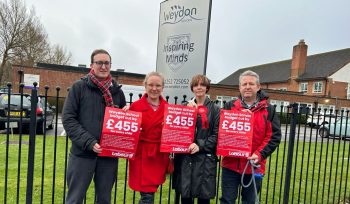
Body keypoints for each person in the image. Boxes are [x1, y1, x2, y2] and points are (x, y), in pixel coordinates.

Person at [63, 49, 127, 204]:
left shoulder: (117, 92)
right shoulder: (79, 88)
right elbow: (68, 119)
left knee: (104, 200)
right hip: (82, 155)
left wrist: (127, 118)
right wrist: (89, 142)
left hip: (108, 157)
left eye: (106, 63)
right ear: (92, 65)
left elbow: (122, 125)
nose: (103, 66)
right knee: (74, 199)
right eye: (99, 63)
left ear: (110, 65)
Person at [220, 70, 281, 204]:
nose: (247, 86)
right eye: (244, 84)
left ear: (258, 87)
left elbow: (274, 137)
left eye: (251, 84)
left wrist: (259, 155)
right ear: (239, 87)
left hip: (254, 166)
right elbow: (220, 132)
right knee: (227, 201)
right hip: (230, 165)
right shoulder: (229, 106)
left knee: (249, 202)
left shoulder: (268, 109)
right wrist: (238, 118)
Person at [173, 74, 220, 204]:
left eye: (202, 85)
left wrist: (200, 145)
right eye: (196, 85)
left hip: (205, 160)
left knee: (203, 199)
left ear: (207, 87)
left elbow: (217, 135)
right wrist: (188, 113)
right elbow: (176, 132)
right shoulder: (184, 106)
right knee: (186, 199)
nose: (199, 87)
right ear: (192, 88)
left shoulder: (215, 109)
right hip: (186, 159)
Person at [128, 72, 169, 204]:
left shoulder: (168, 108)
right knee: (147, 195)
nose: (154, 88)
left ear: (162, 87)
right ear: (145, 86)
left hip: (158, 155)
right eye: (151, 85)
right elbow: (127, 131)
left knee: (149, 194)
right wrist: (124, 114)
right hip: (142, 155)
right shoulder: (135, 106)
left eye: (158, 85)